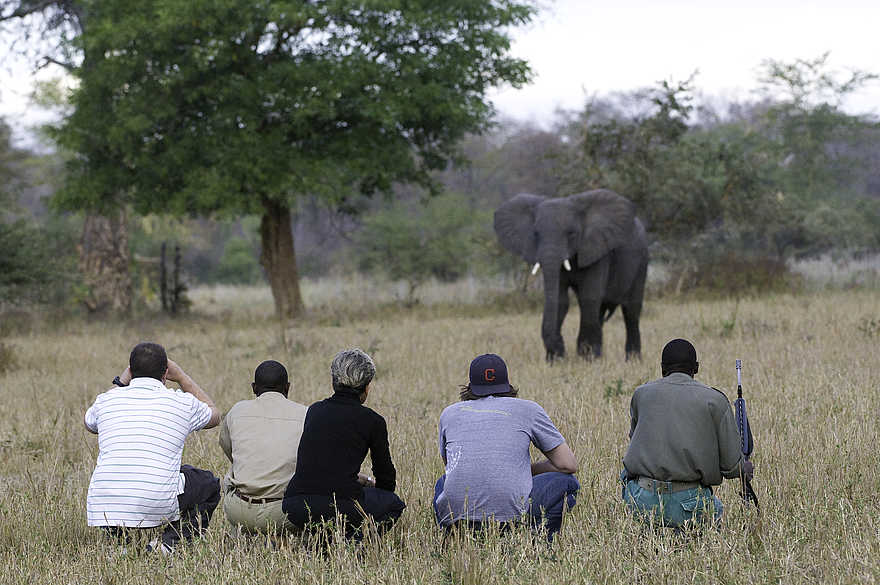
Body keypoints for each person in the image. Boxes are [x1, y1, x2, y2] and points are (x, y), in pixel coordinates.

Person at [85, 342, 222, 553]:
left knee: (116, 478)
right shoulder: (181, 402)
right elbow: (215, 415)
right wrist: (183, 377)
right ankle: (169, 544)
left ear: (130, 371)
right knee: (207, 484)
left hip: (105, 505)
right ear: (166, 373)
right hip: (157, 501)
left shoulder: (106, 400)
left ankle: (120, 544)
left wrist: (121, 381)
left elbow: (89, 423)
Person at [433, 354, 580, 541]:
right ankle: (539, 541)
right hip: (510, 518)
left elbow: (451, 466)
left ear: (470, 386)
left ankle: (454, 537)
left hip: (458, 518)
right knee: (567, 481)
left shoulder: (449, 413)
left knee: (443, 481)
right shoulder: (529, 409)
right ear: (507, 384)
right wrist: (527, 471)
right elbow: (568, 464)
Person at [621, 338, 755, 530]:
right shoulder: (714, 400)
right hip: (688, 505)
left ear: (662, 368)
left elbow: (634, 438)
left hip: (641, 502)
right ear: (696, 368)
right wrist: (744, 467)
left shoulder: (641, 394)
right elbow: (731, 466)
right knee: (714, 510)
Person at [283, 348, 405, 540]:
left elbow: (322, 464)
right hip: (341, 505)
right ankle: (353, 544)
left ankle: (323, 542)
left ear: (334, 382)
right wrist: (376, 491)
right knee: (394, 504)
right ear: (366, 388)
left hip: (296, 505)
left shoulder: (315, 411)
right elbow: (386, 476)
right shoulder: (373, 421)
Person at [219, 360, 307, 534]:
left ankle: (242, 541)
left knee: (232, 473)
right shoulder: (305, 413)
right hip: (284, 512)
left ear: (254, 388)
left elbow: (229, 449)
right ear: (288, 387)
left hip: (239, 512)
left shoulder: (237, 410)